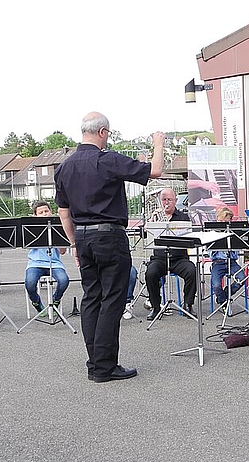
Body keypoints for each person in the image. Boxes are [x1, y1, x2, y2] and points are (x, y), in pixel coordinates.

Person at [55, 111, 165, 383]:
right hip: (109, 236)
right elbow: (156, 170)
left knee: (91, 298)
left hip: (82, 236)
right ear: (102, 132)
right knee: (112, 300)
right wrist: (159, 143)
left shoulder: (64, 167)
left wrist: (74, 244)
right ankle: (105, 366)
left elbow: (63, 213)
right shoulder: (107, 160)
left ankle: (94, 363)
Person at [145, 188, 197, 320]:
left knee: (192, 271)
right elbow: (144, 235)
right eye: (163, 199)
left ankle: (188, 305)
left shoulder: (183, 217)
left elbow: (189, 237)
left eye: (169, 199)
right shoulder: (155, 217)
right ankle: (156, 307)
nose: (166, 203)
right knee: (150, 273)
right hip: (159, 258)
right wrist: (151, 221)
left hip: (179, 258)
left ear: (175, 201)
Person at [25, 201, 70, 315]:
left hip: (54, 263)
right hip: (35, 263)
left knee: (64, 280)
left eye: (46, 211)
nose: (45, 214)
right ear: (35, 216)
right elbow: (26, 246)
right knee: (29, 283)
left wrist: (58, 238)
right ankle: (36, 302)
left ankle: (56, 300)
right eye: (41, 212)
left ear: (51, 212)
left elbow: (62, 251)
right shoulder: (31, 228)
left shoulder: (59, 226)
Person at [210, 207, 245, 305]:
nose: (222, 224)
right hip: (218, 262)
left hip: (232, 262)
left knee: (242, 279)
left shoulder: (234, 233)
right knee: (216, 285)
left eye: (225, 222)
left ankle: (224, 295)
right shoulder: (212, 233)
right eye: (220, 221)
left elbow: (237, 252)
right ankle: (223, 302)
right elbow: (208, 252)